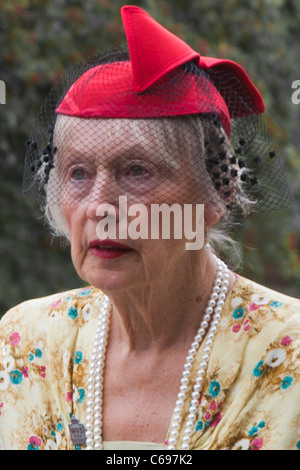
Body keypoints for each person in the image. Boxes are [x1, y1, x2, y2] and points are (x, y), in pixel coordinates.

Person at [0, 6, 299, 451]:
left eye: (137, 171)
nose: (100, 206)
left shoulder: (288, 355)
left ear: (214, 196)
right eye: (78, 173)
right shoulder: (25, 342)